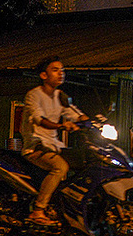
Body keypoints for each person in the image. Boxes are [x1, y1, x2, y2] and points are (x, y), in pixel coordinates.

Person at [20, 56, 88, 226]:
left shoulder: (60, 96)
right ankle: (38, 210)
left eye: (62, 70)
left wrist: (93, 122)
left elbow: (75, 113)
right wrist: (61, 126)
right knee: (61, 167)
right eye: (55, 70)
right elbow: (39, 119)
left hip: (54, 146)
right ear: (43, 75)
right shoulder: (33, 95)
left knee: (85, 160)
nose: (60, 73)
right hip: (36, 146)